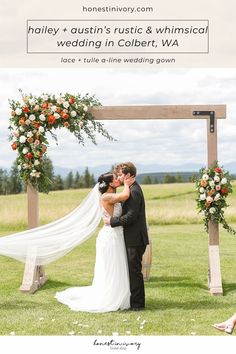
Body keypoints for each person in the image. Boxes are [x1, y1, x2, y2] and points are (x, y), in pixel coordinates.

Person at [55, 172, 135, 312]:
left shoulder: (109, 195)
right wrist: (127, 184)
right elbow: (125, 196)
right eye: (115, 179)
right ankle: (112, 296)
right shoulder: (106, 196)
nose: (118, 180)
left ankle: (120, 294)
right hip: (111, 236)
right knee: (112, 266)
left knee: (117, 265)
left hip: (115, 233)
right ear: (110, 183)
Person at [104, 162, 149, 311]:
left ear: (129, 175)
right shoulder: (131, 189)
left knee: (134, 271)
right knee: (133, 270)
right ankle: (135, 302)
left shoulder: (134, 191)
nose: (119, 177)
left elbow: (131, 217)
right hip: (132, 237)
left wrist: (112, 221)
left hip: (135, 238)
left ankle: (137, 305)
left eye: (121, 175)